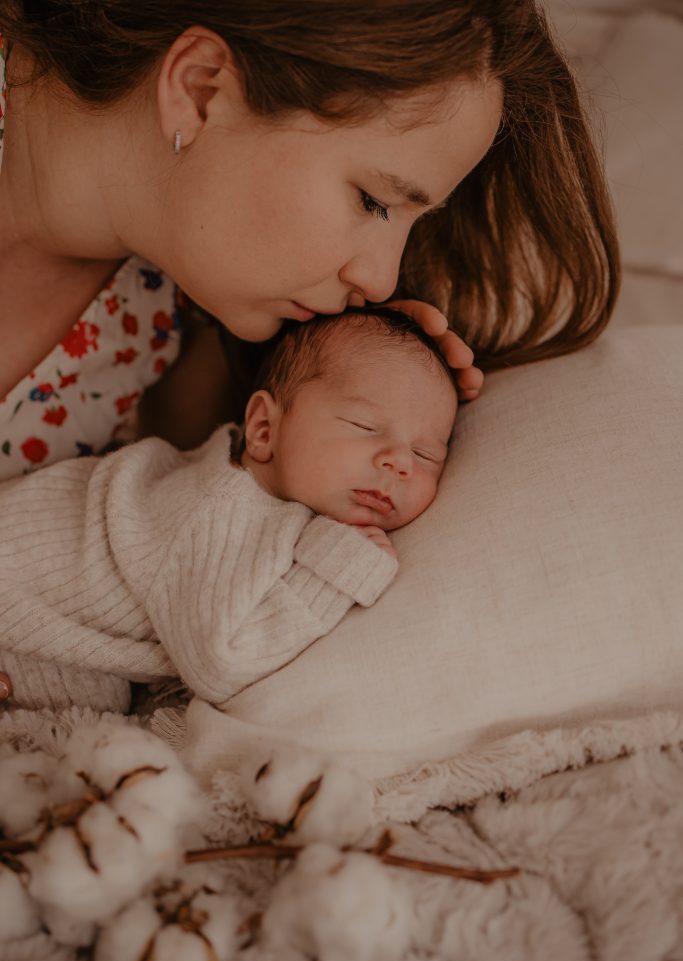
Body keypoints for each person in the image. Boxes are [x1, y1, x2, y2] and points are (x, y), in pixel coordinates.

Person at [0, 1, 620, 702]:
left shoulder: (162, 311)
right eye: (373, 203)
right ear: (200, 88)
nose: (380, 277)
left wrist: (349, 367)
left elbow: (186, 531)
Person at [0, 308, 457, 713]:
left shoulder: (265, 487)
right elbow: (222, 663)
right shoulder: (217, 512)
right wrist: (334, 570)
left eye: (426, 455)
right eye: (365, 426)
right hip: (12, 607)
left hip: (39, 623)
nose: (399, 462)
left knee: (91, 704)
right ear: (263, 429)